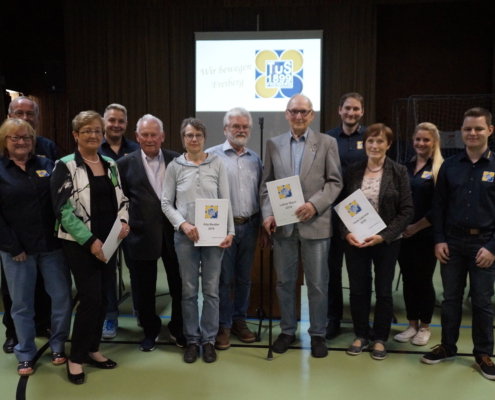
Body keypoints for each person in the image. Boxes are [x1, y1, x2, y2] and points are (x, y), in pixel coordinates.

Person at [260, 94, 343, 358]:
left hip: (316, 224)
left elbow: (335, 182)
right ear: (287, 114)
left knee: (317, 284)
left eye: (303, 111)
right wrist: (267, 215)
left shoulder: (327, 143)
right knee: (284, 282)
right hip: (283, 227)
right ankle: (287, 331)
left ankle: (317, 334)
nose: (298, 116)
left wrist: (314, 205)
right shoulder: (273, 144)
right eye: (294, 111)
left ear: (311, 115)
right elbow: (267, 185)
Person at [51, 110, 130, 385]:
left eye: (97, 130)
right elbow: (62, 210)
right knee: (91, 299)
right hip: (80, 243)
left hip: (109, 241)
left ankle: (93, 349)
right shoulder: (65, 166)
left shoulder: (110, 164)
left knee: (105, 298)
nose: (94, 135)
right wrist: (90, 241)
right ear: (76, 135)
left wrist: (123, 222)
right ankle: (76, 357)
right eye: (87, 131)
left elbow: (122, 199)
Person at [422, 108, 495, 381]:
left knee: (482, 302)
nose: (472, 133)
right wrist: (439, 239)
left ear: (490, 130)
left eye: (478, 128)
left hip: (484, 245)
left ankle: (483, 354)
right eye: (467, 129)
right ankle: (447, 347)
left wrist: (493, 247)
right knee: (450, 299)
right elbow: (439, 206)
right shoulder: (450, 166)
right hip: (451, 243)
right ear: (461, 132)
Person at [0, 118, 72, 376]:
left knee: (61, 298)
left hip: (52, 248)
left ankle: (58, 345)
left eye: (26, 137)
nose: (21, 142)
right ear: (5, 141)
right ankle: (26, 352)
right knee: (21, 304)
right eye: (15, 137)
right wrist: (12, 245)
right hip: (17, 252)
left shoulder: (48, 165)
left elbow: (63, 202)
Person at [162, 117, 234, 364]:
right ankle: (192, 339)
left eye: (198, 135)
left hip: (214, 238)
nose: (194, 139)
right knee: (189, 290)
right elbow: (166, 203)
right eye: (189, 135)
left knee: (211, 290)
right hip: (185, 238)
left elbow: (225, 199)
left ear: (204, 138)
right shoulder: (175, 166)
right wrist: (183, 224)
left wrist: (230, 231)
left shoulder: (217, 163)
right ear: (183, 138)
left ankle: (209, 340)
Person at [341, 123, 413, 360]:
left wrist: (383, 236)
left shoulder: (398, 171)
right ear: (364, 144)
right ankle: (361, 335)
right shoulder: (353, 171)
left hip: (386, 242)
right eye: (370, 141)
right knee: (358, 290)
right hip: (356, 241)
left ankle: (381, 338)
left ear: (388, 145)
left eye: (380, 141)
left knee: (383, 291)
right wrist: (346, 233)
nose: (374, 145)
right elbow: (340, 207)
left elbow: (407, 210)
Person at [117, 114, 185, 351]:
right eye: (144, 134)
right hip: (140, 235)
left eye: (154, 134)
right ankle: (150, 330)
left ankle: (178, 328)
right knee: (144, 289)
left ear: (162, 136)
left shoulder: (178, 160)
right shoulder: (124, 164)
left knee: (179, 286)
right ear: (137, 136)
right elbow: (122, 200)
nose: (149, 139)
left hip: (174, 235)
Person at [206, 107, 268, 350]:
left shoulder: (255, 159)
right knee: (223, 280)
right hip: (223, 228)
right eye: (236, 126)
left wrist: (263, 227)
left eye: (245, 127)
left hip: (250, 226)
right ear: (225, 129)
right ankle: (224, 325)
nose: (241, 130)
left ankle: (239, 320)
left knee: (244, 278)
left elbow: (261, 194)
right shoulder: (212, 156)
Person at [2, 96, 59, 354]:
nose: (25, 118)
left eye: (30, 114)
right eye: (19, 113)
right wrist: (10, 243)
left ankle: (45, 327)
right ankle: (15, 336)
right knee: (16, 294)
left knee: (50, 290)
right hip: (14, 244)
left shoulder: (47, 152)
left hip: (46, 241)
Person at [324, 92, 369, 339]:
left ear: (362, 111)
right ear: (340, 110)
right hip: (332, 211)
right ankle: (333, 319)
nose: (351, 113)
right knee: (332, 269)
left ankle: (362, 319)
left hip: (362, 213)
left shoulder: (370, 137)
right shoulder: (327, 138)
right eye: (347, 108)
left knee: (360, 270)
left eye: (356, 109)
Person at [394, 123, 443, 346]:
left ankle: (425, 327)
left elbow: (439, 205)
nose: (421, 143)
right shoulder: (404, 167)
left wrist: (417, 227)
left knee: (423, 281)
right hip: (404, 235)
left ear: (434, 142)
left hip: (426, 235)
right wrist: (401, 226)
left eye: (426, 140)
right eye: (418, 139)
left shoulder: (440, 169)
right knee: (408, 279)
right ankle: (412, 325)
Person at [99, 103, 139, 339]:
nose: (116, 125)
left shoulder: (136, 149)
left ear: (126, 124)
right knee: (107, 272)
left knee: (137, 268)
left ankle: (140, 311)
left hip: (132, 221)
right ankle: (110, 317)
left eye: (121, 121)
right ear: (104, 122)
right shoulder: (94, 148)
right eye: (112, 120)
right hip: (104, 221)